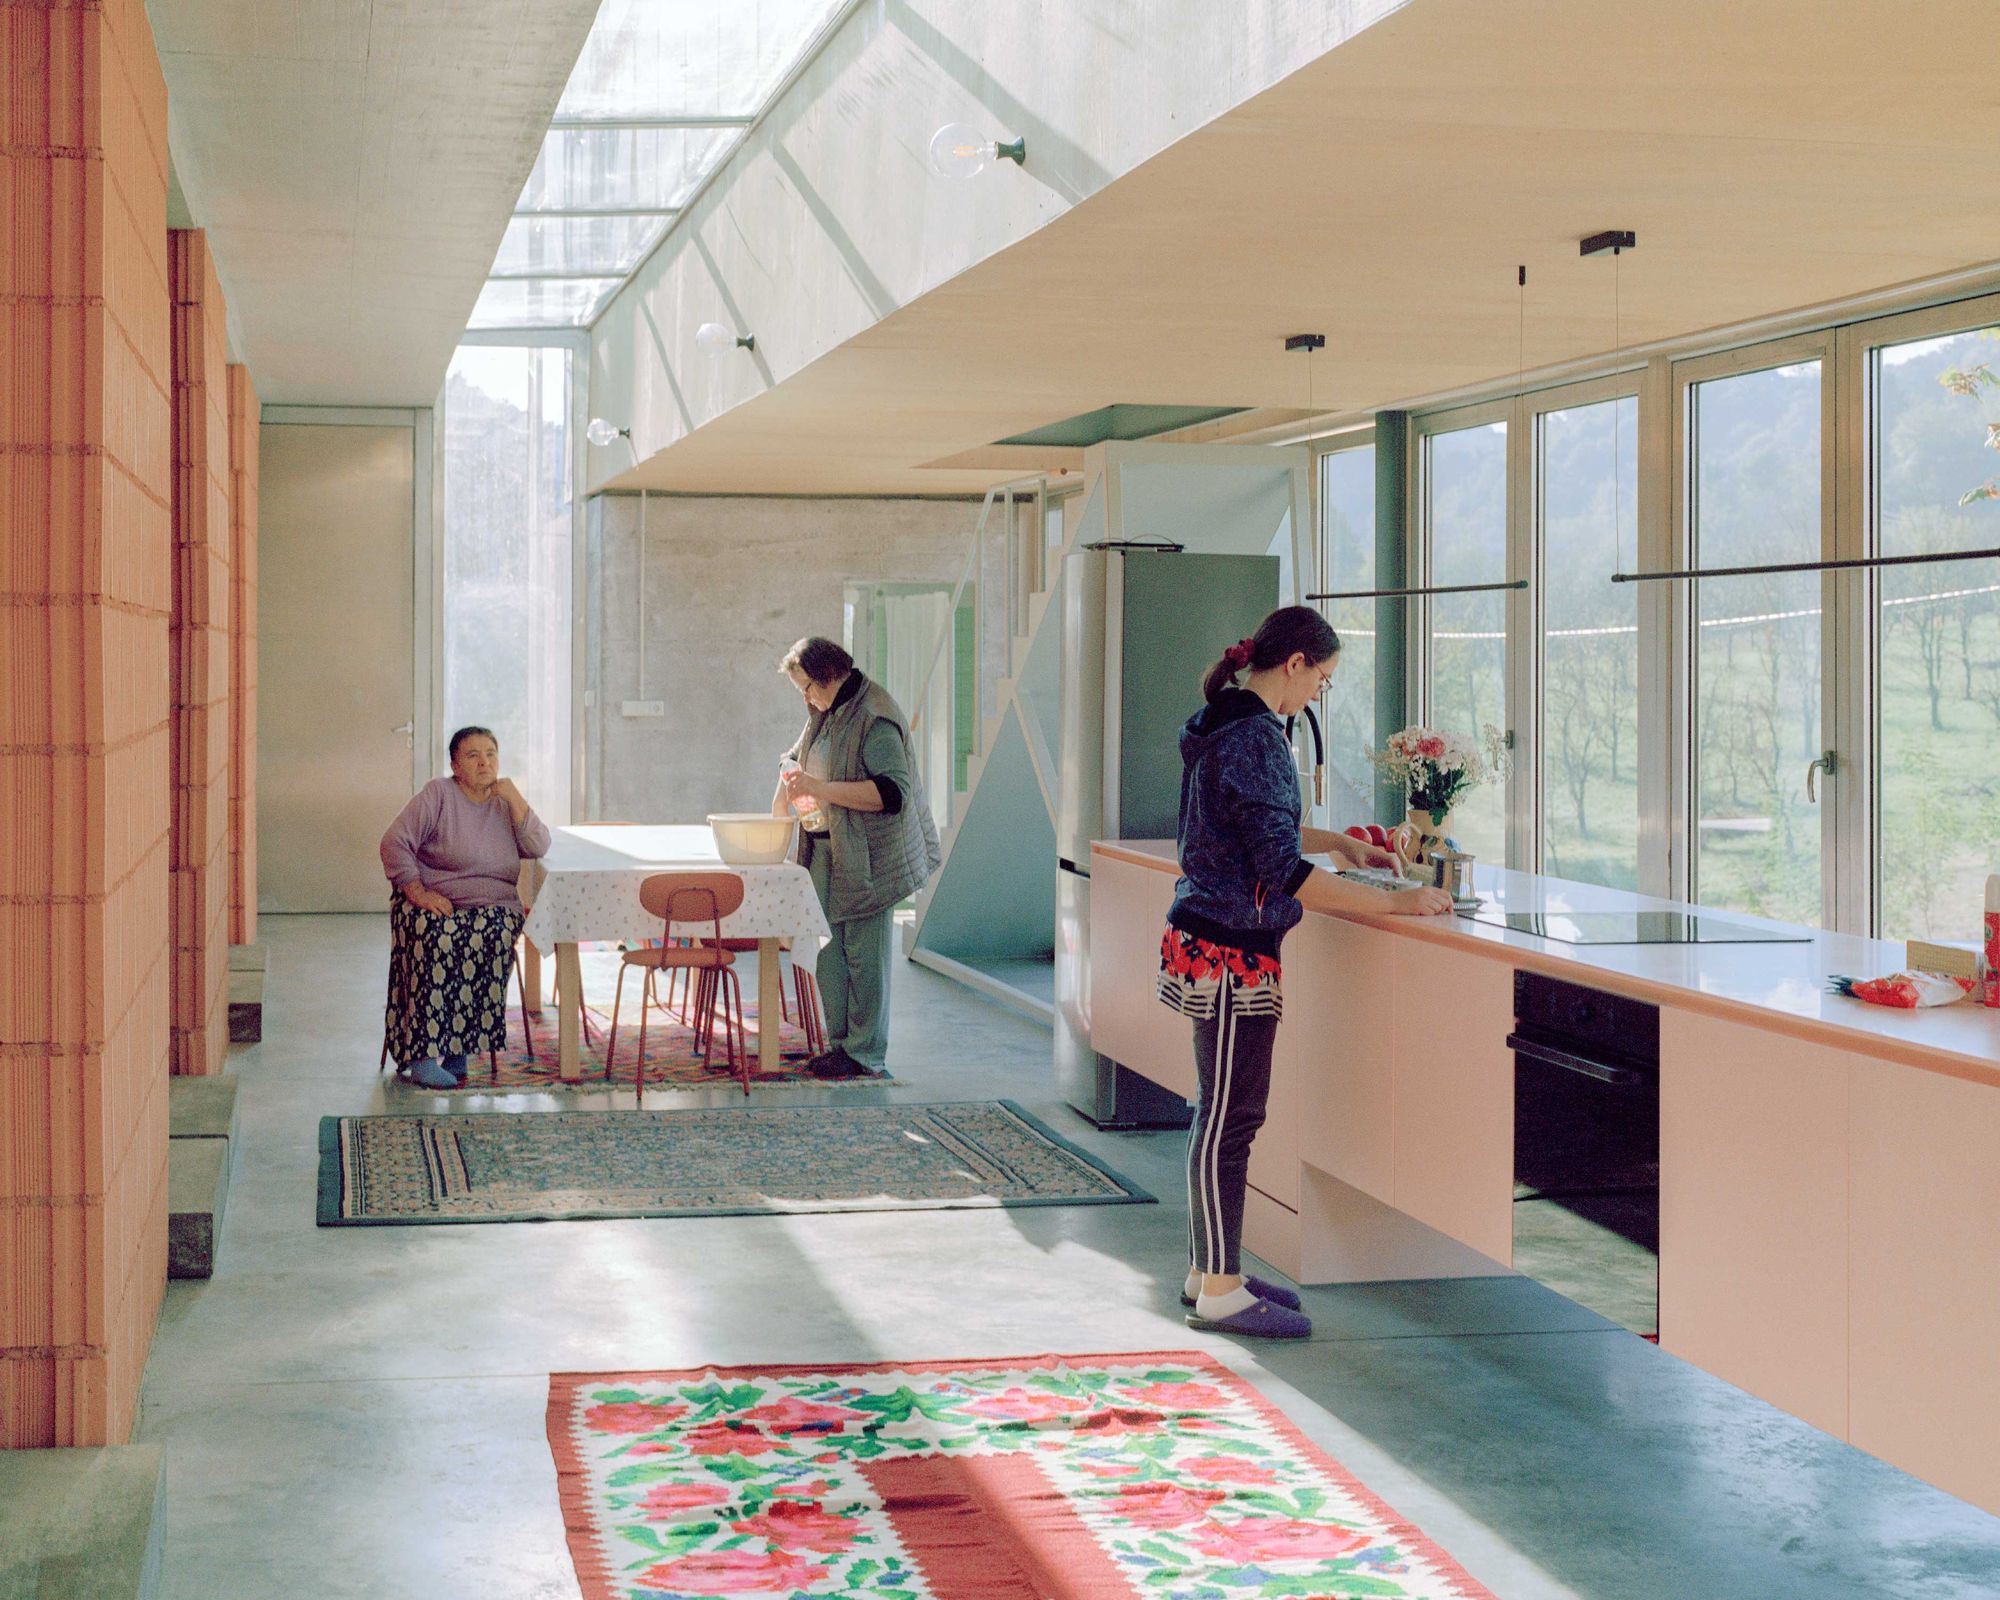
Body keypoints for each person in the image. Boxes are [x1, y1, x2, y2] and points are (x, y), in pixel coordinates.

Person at [1162, 607, 1452, 1339]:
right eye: (1321, 679)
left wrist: (1341, 846)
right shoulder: (1258, 735)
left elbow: (1252, 830)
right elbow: (1282, 872)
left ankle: (1208, 1269)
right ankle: (1221, 1289)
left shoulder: (1222, 722)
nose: (1318, 693)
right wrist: (1398, 903)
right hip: (1232, 951)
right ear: (1293, 663)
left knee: (1220, 1112)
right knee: (1230, 1119)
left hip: (1210, 938)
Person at [774, 637, 941, 1079]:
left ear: (828, 675)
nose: (805, 698)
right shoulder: (825, 711)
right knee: (828, 951)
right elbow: (795, 758)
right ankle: (840, 1046)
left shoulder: (874, 717)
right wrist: (789, 780)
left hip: (869, 857)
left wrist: (818, 789)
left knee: (865, 958)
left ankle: (865, 1054)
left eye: (807, 688)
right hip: (826, 849)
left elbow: (892, 793)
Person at [379, 726, 551, 1088]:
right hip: (433, 898)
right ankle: (423, 1055)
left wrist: (516, 799)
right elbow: (394, 842)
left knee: (492, 936)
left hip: (493, 903)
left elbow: (539, 846)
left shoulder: (505, 802)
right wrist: (416, 891)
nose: (484, 762)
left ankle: (459, 1050)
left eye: (490, 754)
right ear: (455, 765)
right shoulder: (438, 795)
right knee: (439, 938)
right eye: (473, 755)